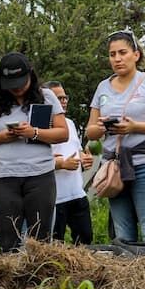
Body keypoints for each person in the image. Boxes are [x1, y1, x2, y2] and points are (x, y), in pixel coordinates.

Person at [85, 30, 145, 243]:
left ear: (136, 55)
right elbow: (89, 131)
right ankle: (129, 266)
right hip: (114, 166)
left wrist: (135, 127)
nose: (117, 59)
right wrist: (101, 128)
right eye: (112, 54)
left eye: (123, 53)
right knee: (122, 234)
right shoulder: (103, 86)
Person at [0, 52, 68, 252]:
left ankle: (40, 271)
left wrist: (34, 132)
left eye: (20, 83)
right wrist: (1, 137)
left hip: (40, 175)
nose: (16, 89)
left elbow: (62, 133)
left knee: (40, 240)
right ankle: (9, 270)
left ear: (30, 76)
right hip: (4, 177)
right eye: (11, 84)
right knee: (8, 239)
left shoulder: (46, 96)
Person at [44, 80, 94, 245]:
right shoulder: (39, 127)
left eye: (65, 97)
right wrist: (60, 164)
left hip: (77, 193)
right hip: (54, 198)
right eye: (59, 98)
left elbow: (76, 151)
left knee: (85, 241)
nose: (64, 101)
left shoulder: (70, 124)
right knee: (54, 245)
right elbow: (33, 161)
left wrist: (84, 159)